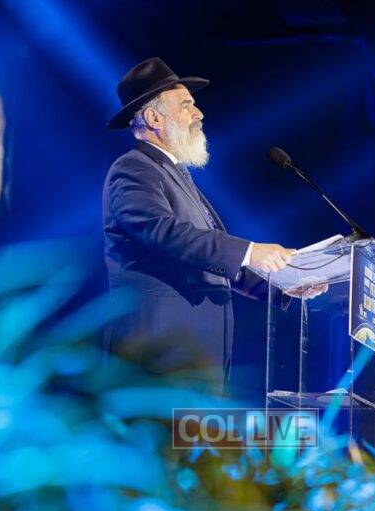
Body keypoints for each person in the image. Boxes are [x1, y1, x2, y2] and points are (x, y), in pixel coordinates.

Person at [102, 57, 296, 386]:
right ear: (153, 118)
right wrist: (251, 251)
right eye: (186, 105)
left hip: (196, 360)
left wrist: (288, 285)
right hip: (156, 355)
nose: (199, 113)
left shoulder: (175, 175)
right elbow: (164, 232)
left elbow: (211, 261)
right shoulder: (132, 169)